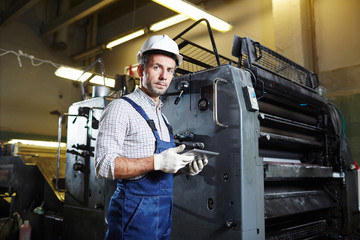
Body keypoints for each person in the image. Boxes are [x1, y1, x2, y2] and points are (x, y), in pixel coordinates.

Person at [95, 34, 208, 240]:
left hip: (162, 213)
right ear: (140, 70)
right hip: (132, 214)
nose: (164, 76)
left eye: (170, 70)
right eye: (157, 67)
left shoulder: (163, 119)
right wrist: (158, 160)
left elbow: (159, 170)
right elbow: (103, 165)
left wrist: (182, 168)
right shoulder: (120, 108)